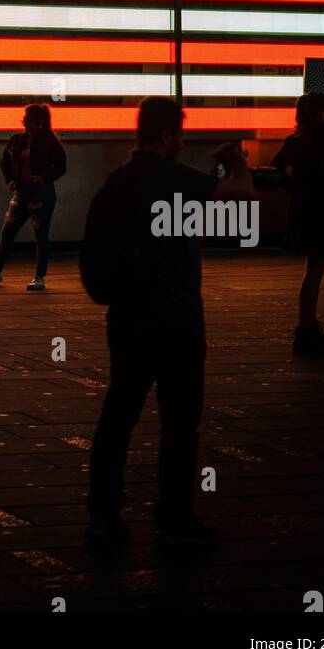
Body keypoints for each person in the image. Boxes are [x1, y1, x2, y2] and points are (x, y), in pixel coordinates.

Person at [85, 97, 254, 552]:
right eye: (179, 134)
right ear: (165, 136)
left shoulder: (116, 183)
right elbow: (243, 202)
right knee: (179, 425)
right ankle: (174, 518)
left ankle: (104, 516)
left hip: (128, 320)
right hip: (176, 321)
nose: (182, 142)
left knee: (118, 417)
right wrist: (235, 163)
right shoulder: (175, 179)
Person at [271, 93, 324, 357]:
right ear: (320, 112)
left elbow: (275, 169)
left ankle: (308, 326)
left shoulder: (294, 141)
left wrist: (295, 188)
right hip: (321, 209)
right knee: (315, 270)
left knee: (312, 269)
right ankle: (306, 327)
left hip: (300, 208)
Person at [0, 102, 67, 291]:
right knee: (8, 231)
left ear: (39, 122)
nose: (25, 123)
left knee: (40, 234)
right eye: (25, 120)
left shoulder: (50, 141)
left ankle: (39, 277)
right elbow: (4, 162)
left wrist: (45, 177)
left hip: (41, 192)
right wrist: (10, 179)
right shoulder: (17, 140)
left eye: (29, 120)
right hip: (22, 191)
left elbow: (61, 166)